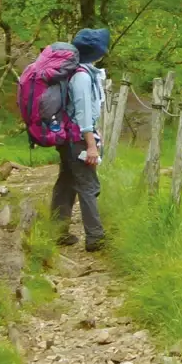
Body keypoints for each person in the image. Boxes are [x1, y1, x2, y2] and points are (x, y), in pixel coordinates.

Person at [51, 27, 109, 251]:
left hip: (68, 138)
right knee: (88, 185)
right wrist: (91, 145)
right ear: (96, 52)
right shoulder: (83, 77)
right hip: (78, 138)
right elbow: (83, 114)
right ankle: (96, 237)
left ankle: (57, 231)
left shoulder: (76, 72)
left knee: (66, 183)